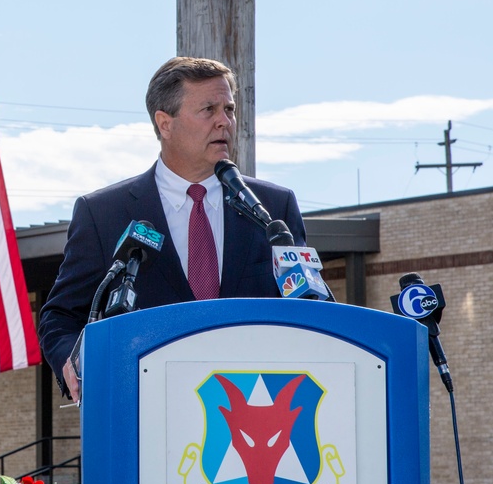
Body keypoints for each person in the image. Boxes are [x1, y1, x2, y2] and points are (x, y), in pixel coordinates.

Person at [38, 57, 306, 400]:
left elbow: (306, 310)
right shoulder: (103, 213)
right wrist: (74, 361)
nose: (224, 122)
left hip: (258, 413)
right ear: (165, 124)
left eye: (229, 109)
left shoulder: (273, 208)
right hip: (145, 410)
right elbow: (62, 316)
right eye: (208, 109)